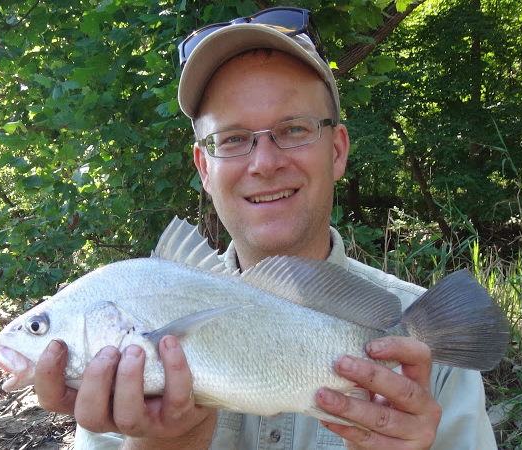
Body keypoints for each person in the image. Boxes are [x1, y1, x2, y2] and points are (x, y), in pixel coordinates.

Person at [32, 6, 498, 450]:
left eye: (293, 129)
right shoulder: (115, 355)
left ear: (336, 152)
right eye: (232, 139)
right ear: (204, 168)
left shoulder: (434, 352)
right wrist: (161, 442)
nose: (264, 162)